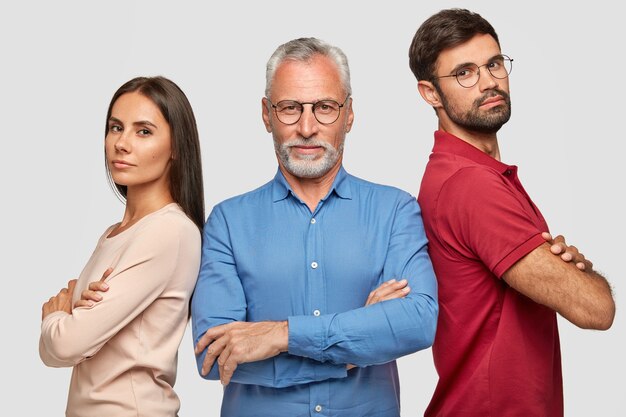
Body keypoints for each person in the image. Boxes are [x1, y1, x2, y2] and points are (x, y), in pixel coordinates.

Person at [191, 37, 438, 417]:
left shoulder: (395, 211)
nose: (307, 127)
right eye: (290, 108)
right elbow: (213, 355)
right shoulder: (227, 222)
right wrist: (356, 346)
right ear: (266, 114)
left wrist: (280, 335)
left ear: (349, 114)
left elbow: (418, 322)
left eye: (325, 107)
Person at [408, 8, 615, 417]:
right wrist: (582, 278)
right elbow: (596, 309)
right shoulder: (471, 185)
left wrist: (571, 273)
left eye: (494, 64)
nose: (488, 82)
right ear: (431, 94)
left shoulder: (480, 175)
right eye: (464, 73)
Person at [39, 76, 205, 417]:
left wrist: (57, 315)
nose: (122, 143)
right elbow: (58, 350)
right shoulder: (115, 234)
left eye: (143, 131)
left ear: (176, 146)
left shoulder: (169, 232)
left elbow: (66, 343)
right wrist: (72, 324)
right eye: (116, 128)